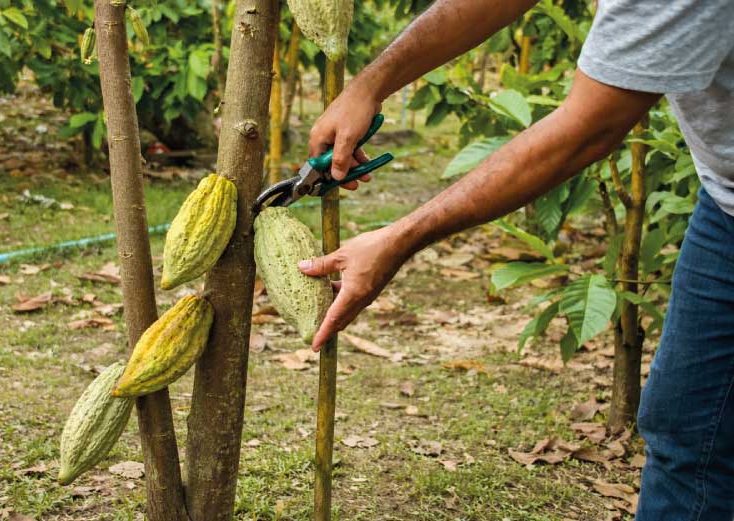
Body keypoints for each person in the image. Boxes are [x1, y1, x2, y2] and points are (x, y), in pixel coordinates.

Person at [297, 0, 734, 518]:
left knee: (693, 437)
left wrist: (398, 238)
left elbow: (587, 129)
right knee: (690, 431)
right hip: (724, 198)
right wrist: (370, 84)